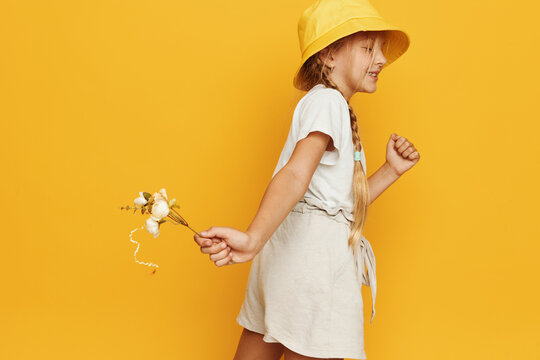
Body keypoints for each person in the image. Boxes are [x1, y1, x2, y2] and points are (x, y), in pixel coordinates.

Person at [193, 0, 420, 359]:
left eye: (380, 49)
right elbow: (296, 173)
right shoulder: (329, 103)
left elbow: (339, 204)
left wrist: (390, 170)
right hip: (314, 263)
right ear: (329, 55)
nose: (380, 59)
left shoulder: (328, 105)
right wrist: (252, 237)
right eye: (367, 48)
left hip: (290, 253)